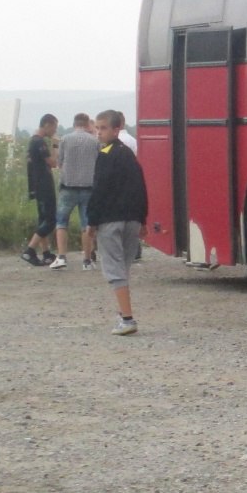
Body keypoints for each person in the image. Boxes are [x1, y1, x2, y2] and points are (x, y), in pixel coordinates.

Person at [87, 109, 149, 335]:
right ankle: (122, 310)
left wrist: (91, 221)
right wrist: (142, 219)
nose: (99, 133)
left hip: (110, 218)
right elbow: (141, 187)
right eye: (97, 128)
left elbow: (99, 189)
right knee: (123, 267)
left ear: (116, 129)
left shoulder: (105, 154)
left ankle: (128, 318)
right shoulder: (129, 155)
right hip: (132, 217)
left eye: (103, 128)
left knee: (113, 267)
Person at [50, 113, 98, 271]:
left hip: (68, 186)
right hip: (88, 188)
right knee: (86, 225)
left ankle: (62, 257)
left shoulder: (65, 139)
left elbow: (59, 162)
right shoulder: (95, 141)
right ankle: (87, 260)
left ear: (74, 123)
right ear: (86, 124)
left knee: (62, 222)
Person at [21, 114, 59, 266]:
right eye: (54, 128)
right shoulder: (40, 142)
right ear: (47, 125)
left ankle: (46, 253)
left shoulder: (33, 141)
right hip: (44, 184)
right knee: (50, 220)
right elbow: (53, 163)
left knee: (42, 219)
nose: (54, 132)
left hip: (36, 184)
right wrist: (55, 146)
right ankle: (30, 249)